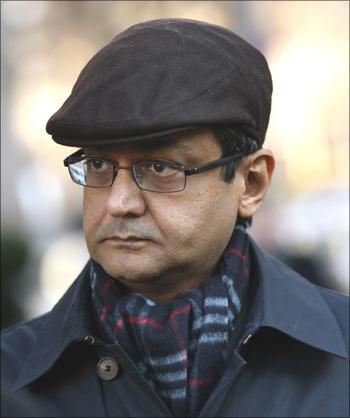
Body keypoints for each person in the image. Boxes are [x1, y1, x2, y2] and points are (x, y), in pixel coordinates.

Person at [1, 18, 348, 418]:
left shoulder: (338, 355)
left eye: (161, 167)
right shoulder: (12, 379)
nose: (118, 202)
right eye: (97, 164)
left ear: (251, 183)